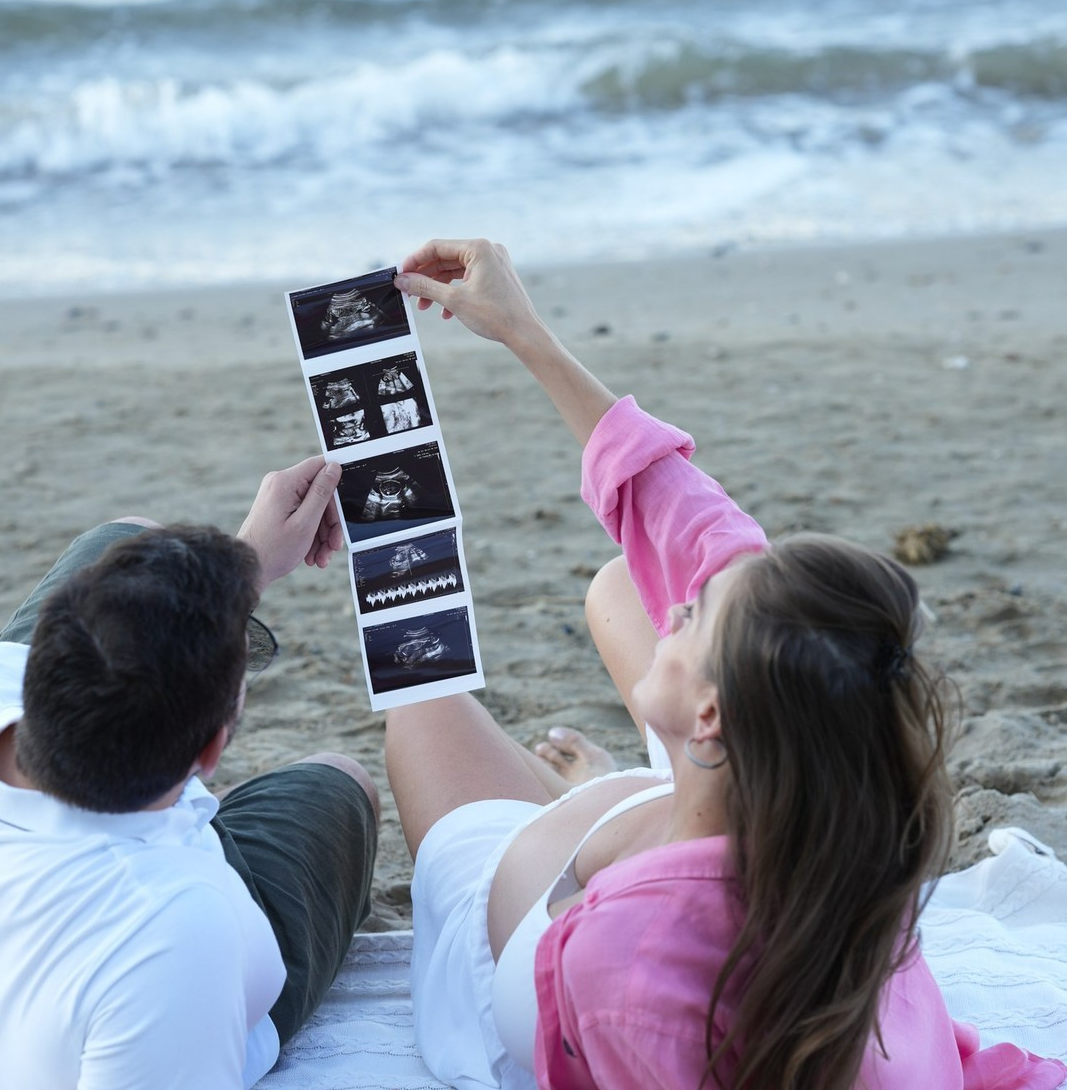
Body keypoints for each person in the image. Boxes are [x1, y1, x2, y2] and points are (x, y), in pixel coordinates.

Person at [384, 240, 1067, 1090]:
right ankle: (612, 785)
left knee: (420, 705)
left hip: (515, 934)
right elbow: (701, 533)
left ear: (711, 715)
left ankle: (590, 793)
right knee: (621, 583)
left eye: (693, 617)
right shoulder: (839, 816)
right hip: (680, 813)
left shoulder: (630, 967)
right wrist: (528, 336)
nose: (676, 605)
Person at [0, 456, 379, 1090]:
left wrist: (246, 561)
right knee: (341, 779)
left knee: (127, 534)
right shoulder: (175, 928)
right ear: (208, 756)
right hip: (150, 923)